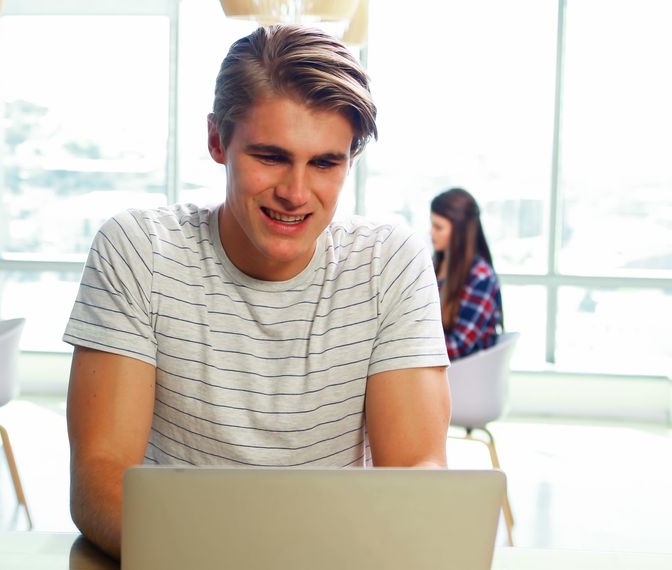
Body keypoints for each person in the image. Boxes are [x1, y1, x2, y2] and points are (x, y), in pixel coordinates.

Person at [63, 25, 451, 558]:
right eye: (270, 157)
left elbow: (415, 469)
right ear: (217, 141)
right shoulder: (139, 250)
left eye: (324, 163)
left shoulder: (389, 262)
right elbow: (100, 478)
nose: (295, 193)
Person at [429, 187, 503, 360]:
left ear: (459, 232)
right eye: (431, 225)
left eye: (438, 227)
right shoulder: (437, 265)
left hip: (464, 375)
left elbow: (458, 347)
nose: (431, 233)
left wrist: (409, 346)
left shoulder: (480, 277)